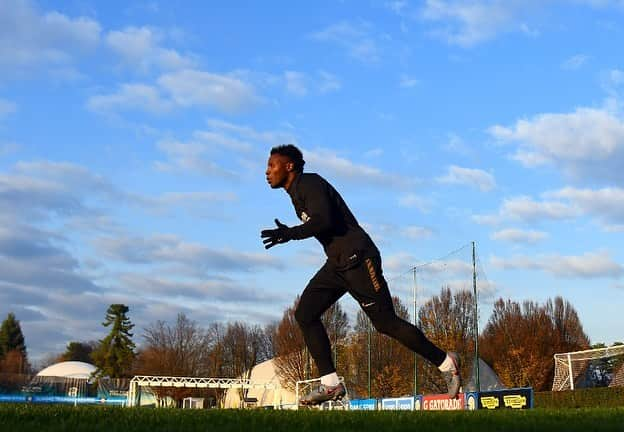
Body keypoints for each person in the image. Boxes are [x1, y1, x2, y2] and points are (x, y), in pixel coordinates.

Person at [261, 144, 461, 405]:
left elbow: (323, 220)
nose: (267, 172)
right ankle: (331, 384)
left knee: (386, 323)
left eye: (271, 165)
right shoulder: (296, 193)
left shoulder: (309, 183)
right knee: (305, 314)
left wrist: (291, 233)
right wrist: (290, 232)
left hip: (359, 258)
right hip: (337, 264)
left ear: (289, 166)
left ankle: (446, 363)